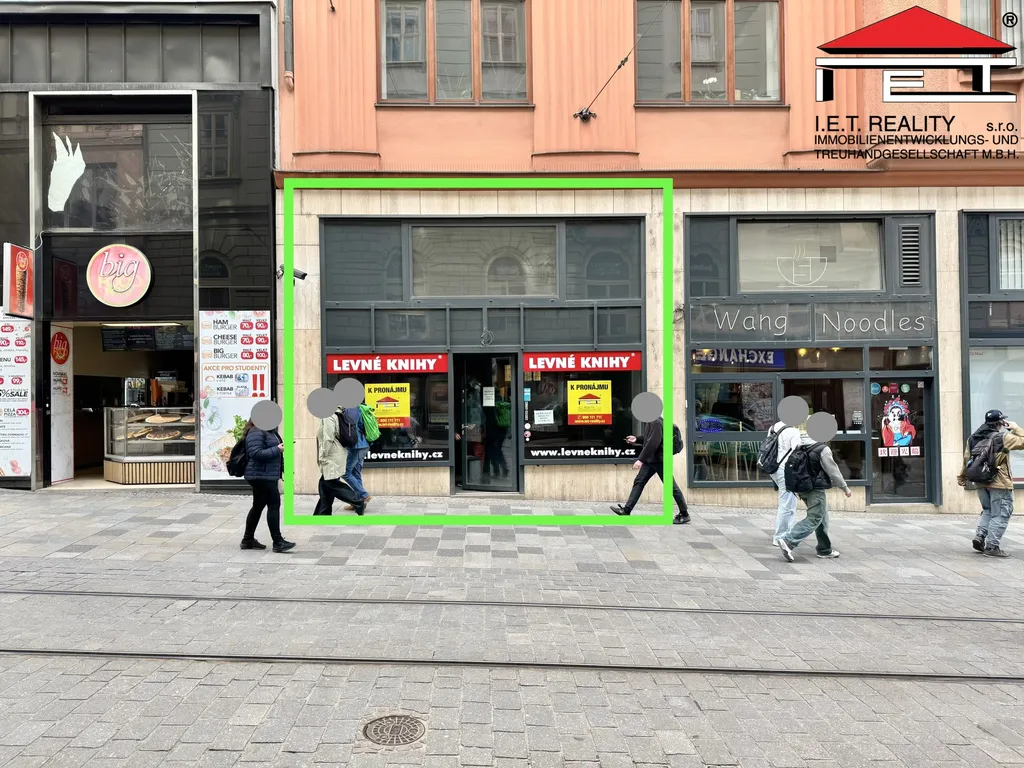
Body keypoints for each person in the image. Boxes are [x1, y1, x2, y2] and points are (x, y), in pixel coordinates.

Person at [777, 428, 851, 562]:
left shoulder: (800, 445)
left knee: (821, 517)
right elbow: (833, 472)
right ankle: (788, 540)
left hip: (802, 488)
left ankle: (824, 549)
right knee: (815, 518)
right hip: (815, 489)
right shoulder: (822, 449)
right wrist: (844, 488)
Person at [957, 409, 1024, 558]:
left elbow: (967, 460)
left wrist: (962, 477)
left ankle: (980, 536)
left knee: (988, 510)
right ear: (1000, 423)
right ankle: (992, 546)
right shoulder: (1002, 437)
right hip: (999, 483)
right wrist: (1015, 428)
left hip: (980, 481)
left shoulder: (973, 438)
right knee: (1001, 514)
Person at [611, 416, 690, 524]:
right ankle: (626, 510)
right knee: (639, 482)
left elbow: (653, 443)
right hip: (651, 460)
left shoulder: (655, 422)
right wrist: (637, 439)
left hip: (659, 460)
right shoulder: (653, 420)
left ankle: (684, 514)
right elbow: (649, 438)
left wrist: (640, 460)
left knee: (671, 486)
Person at [241, 418, 295, 553]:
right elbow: (255, 453)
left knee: (258, 506)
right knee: (274, 504)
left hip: (264, 474)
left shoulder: (270, 431)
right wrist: (277, 449)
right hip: (260, 476)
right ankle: (278, 542)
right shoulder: (256, 431)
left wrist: (284, 466)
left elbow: (274, 453)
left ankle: (247, 540)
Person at [314, 407, 367, 517]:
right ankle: (322, 513)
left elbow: (328, 438)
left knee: (331, 484)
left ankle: (358, 501)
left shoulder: (328, 416)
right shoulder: (336, 414)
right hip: (336, 454)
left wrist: (323, 454)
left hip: (331, 455)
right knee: (324, 484)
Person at [768, 418, 802, 547]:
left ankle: (785, 533)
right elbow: (797, 450)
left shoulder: (774, 427)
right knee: (787, 505)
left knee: (786, 501)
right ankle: (780, 537)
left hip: (773, 467)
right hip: (786, 469)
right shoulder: (793, 431)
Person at [341, 404, 372, 509]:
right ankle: (358, 503)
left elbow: (349, 427)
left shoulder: (351, 408)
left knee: (345, 472)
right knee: (355, 473)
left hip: (357, 446)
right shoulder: (358, 407)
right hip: (362, 444)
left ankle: (364, 495)